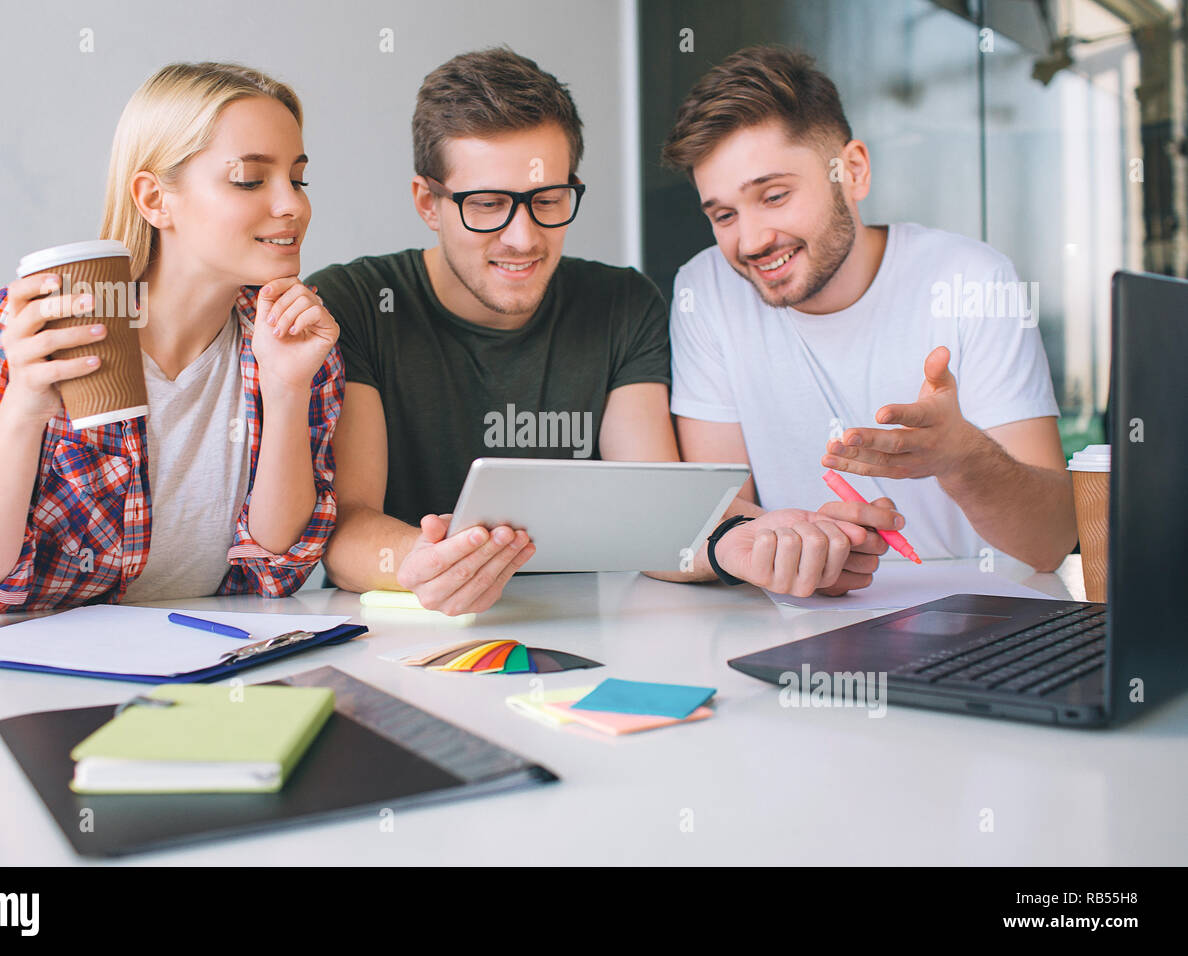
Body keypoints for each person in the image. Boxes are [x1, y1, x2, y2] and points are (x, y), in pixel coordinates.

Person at [308, 47, 885, 614]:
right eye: (486, 205)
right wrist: (420, 563)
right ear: (428, 203)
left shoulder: (622, 303)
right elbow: (347, 524)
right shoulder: (356, 302)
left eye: (548, 199)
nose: (523, 237)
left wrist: (747, 544)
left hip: (585, 633)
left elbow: (657, 511)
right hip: (411, 638)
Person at [0, 62, 342, 631]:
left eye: (299, 178)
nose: (293, 205)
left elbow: (277, 572)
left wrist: (287, 392)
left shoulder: (295, 340)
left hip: (207, 664)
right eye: (251, 179)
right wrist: (25, 408)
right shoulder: (43, 326)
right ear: (155, 199)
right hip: (38, 673)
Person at [660, 45, 1077, 577]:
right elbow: (717, 522)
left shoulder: (974, 278)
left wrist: (961, 457)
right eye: (723, 215)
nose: (750, 241)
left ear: (852, 170)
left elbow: (1049, 544)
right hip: (795, 618)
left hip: (981, 617)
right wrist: (812, 546)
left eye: (774, 196)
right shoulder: (706, 289)